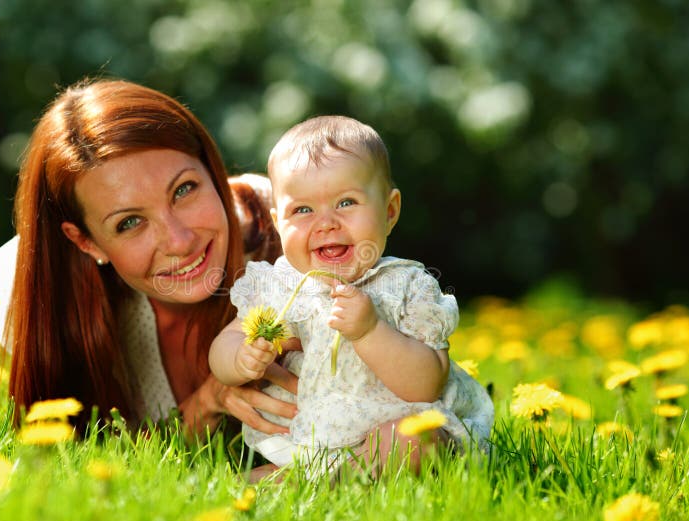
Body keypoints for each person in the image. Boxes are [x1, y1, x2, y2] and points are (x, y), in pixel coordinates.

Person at [0, 78, 298, 436]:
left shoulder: (295, 224)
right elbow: (87, 459)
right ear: (86, 242)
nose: (179, 241)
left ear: (212, 169)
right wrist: (207, 403)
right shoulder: (51, 303)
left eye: (184, 190)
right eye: (129, 222)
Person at [209, 116, 494, 475]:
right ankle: (313, 476)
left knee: (416, 441)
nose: (325, 223)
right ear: (279, 223)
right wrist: (239, 358)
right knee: (305, 456)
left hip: (390, 427)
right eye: (303, 210)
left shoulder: (405, 285)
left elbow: (426, 384)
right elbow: (226, 344)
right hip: (310, 433)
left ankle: (314, 484)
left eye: (346, 202)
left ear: (389, 212)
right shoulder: (279, 285)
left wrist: (370, 331)